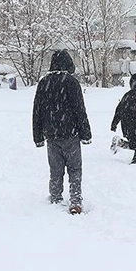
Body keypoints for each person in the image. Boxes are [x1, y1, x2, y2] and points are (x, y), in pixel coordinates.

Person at [33, 50, 92, 215]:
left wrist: (38, 136)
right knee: (74, 169)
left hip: (51, 135)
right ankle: (75, 201)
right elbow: (79, 110)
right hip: (71, 134)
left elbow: (37, 111)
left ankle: (55, 197)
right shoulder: (71, 82)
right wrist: (85, 133)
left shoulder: (44, 83)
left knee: (55, 169)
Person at [110, 73, 136, 164]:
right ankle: (134, 164)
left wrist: (114, 123)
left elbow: (119, 110)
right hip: (134, 127)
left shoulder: (128, 95)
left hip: (128, 126)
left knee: (134, 145)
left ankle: (119, 143)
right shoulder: (135, 97)